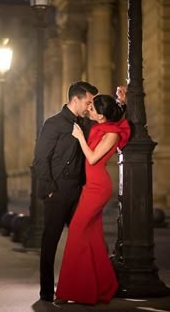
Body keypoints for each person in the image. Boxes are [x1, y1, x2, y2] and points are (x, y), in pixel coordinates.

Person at [33, 81, 126, 302]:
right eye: (88, 101)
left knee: (88, 238)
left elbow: (109, 121)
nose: (89, 106)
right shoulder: (53, 123)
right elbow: (40, 159)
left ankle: (88, 285)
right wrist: (49, 190)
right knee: (50, 241)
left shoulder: (86, 123)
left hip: (81, 192)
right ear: (76, 99)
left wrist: (122, 103)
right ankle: (46, 291)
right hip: (57, 192)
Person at [55, 94, 130, 305]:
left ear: (102, 114)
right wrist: (122, 103)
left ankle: (67, 290)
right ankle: (100, 287)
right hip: (90, 187)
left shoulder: (112, 134)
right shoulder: (98, 127)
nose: (89, 110)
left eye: (93, 109)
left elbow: (93, 158)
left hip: (99, 188)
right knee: (93, 238)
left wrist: (79, 138)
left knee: (77, 231)